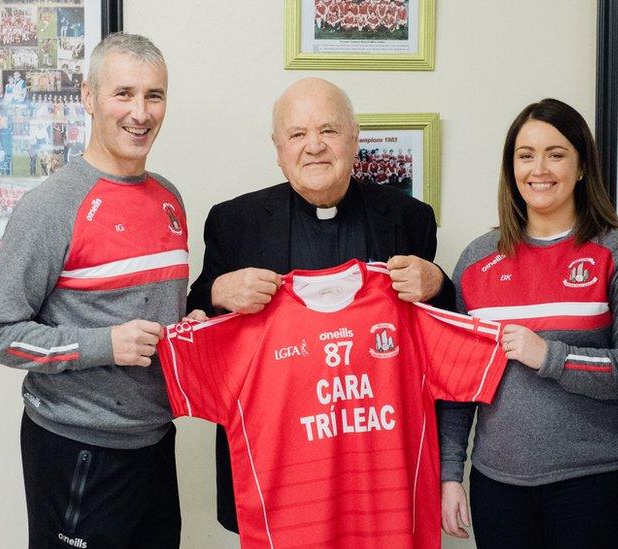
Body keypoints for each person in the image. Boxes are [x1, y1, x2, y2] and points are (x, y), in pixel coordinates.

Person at [187, 76, 456, 533]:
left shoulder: (410, 218)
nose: (314, 146)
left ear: (354, 140)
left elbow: (437, 335)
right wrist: (217, 292)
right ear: (278, 149)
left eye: (328, 131)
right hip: (275, 459)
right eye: (297, 134)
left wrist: (440, 284)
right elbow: (195, 311)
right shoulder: (233, 221)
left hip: (376, 462)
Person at [0, 33, 191, 548]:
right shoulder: (52, 205)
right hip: (78, 449)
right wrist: (102, 343)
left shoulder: (170, 198)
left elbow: (155, 310)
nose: (141, 112)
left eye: (154, 96)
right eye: (124, 94)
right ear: (89, 98)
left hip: (155, 444)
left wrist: (190, 326)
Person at [438, 98, 618, 548]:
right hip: (498, 483)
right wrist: (450, 475)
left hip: (602, 478)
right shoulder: (477, 261)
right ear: (511, 168)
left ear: (581, 167)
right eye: (526, 155)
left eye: (555, 154)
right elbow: (457, 384)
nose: (539, 169)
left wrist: (552, 356)